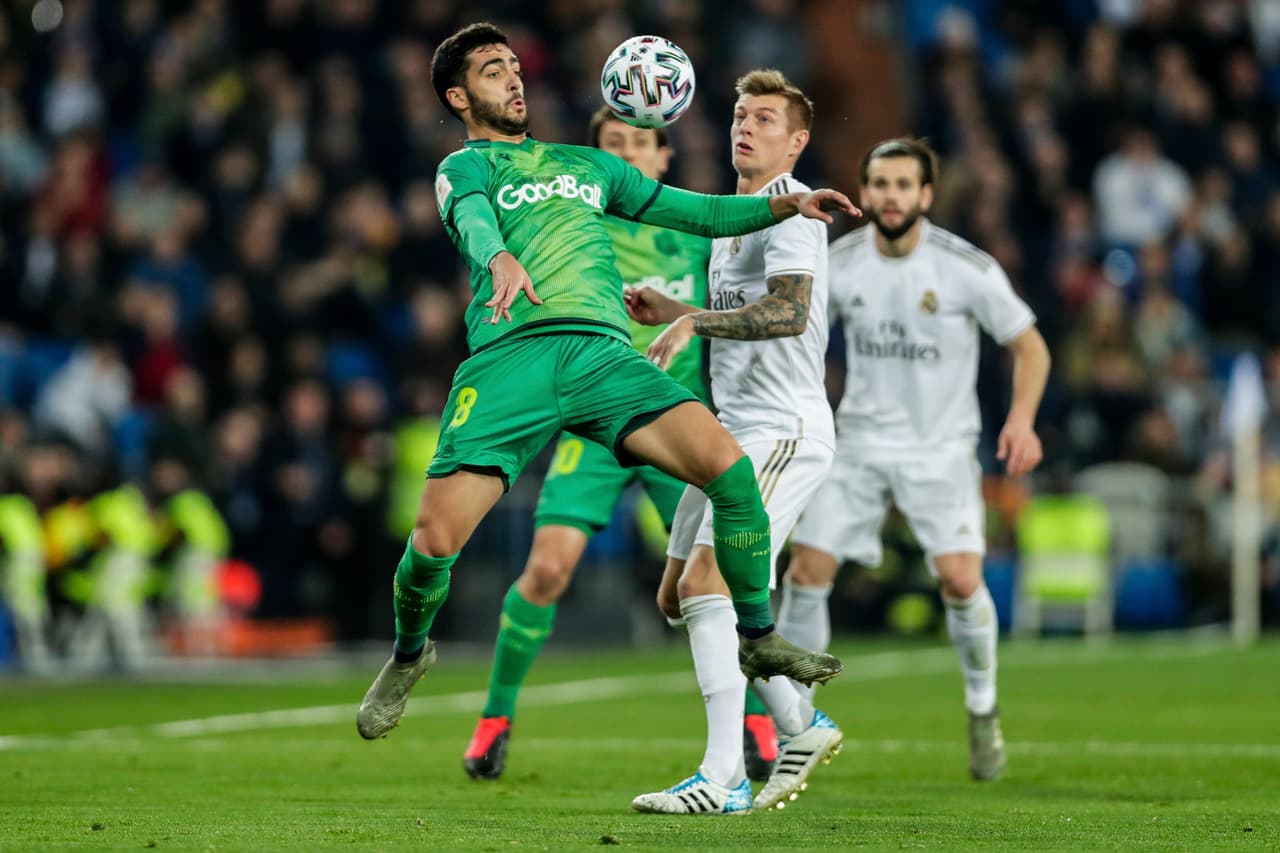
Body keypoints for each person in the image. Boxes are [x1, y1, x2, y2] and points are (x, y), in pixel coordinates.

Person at [356, 23, 854, 747]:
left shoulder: (589, 165)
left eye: (515, 67)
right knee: (433, 540)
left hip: (603, 357)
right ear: (460, 97)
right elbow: (469, 220)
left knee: (730, 469)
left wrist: (782, 206)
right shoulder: (464, 171)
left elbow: (701, 212)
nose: (515, 79)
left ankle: (758, 634)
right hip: (511, 362)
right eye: (495, 71)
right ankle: (408, 653)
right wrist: (497, 257)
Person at [463, 106, 775, 780]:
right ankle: (495, 715)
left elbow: (740, 309)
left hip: (672, 425)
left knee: (713, 577)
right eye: (613, 144)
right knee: (547, 568)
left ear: (664, 160)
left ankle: (754, 717)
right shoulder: (579, 227)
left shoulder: (695, 242)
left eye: (641, 143)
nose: (628, 154)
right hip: (595, 429)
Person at [783, 138, 1051, 782]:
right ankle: (792, 724)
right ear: (865, 192)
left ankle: (982, 708)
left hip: (941, 449)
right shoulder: (840, 263)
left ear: (926, 195)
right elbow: (793, 329)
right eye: (880, 184)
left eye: (904, 184)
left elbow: (1032, 348)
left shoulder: (965, 267)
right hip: (859, 444)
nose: (891, 196)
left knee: (960, 582)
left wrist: (1020, 420)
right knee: (806, 574)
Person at [625, 70, 845, 815]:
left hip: (782, 430)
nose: (745, 127)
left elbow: (786, 310)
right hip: (734, 432)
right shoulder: (740, 215)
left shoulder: (790, 213)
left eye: (765, 119)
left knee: (706, 586)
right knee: (675, 595)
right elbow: (746, 307)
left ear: (797, 140)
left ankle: (723, 775)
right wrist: (675, 306)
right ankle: (799, 721)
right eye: (740, 115)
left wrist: (694, 324)